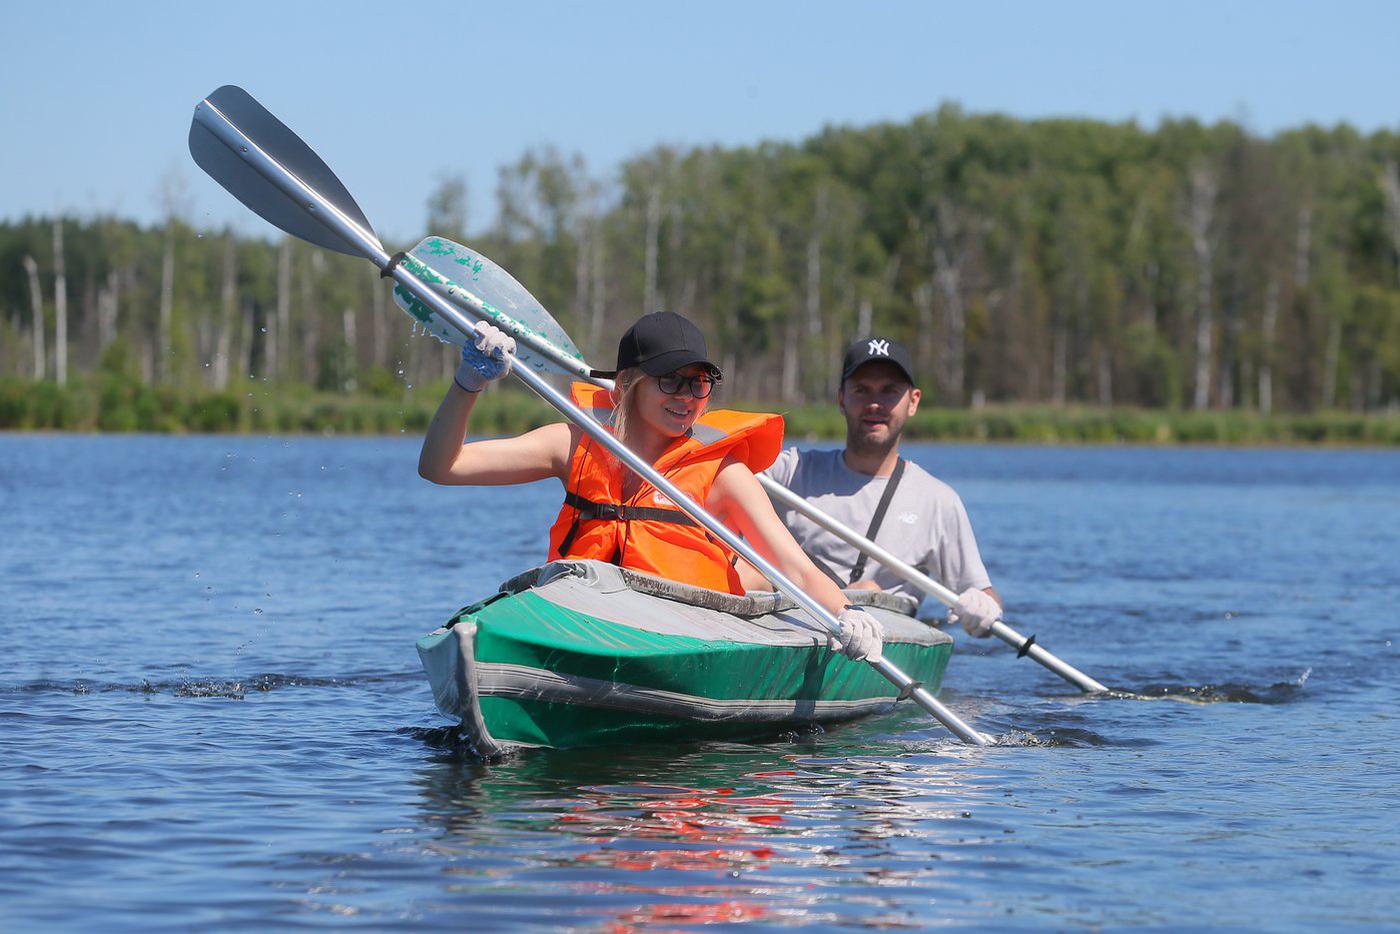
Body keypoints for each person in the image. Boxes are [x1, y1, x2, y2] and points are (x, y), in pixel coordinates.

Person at [417, 311, 884, 661]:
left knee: (751, 571)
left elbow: (796, 569)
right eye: (670, 381)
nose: (686, 397)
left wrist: (846, 614)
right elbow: (442, 467)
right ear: (626, 384)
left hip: (684, 630)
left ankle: (744, 575)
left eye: (699, 384)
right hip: (588, 613)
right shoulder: (575, 442)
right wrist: (468, 383)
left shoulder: (722, 473)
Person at [738, 335, 1004, 639]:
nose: (875, 404)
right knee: (748, 572)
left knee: (867, 590)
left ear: (913, 401)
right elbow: (722, 481)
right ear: (841, 399)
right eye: (862, 390)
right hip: (790, 625)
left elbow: (981, 593)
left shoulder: (938, 501)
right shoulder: (791, 470)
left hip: (881, 637)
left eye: (889, 391)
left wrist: (983, 608)